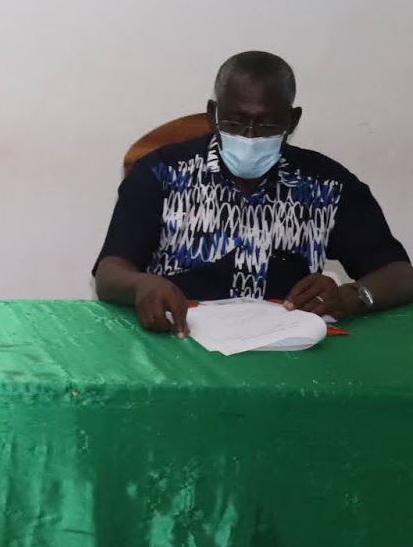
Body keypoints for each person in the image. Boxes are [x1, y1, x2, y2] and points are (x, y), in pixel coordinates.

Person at [94, 51, 413, 336]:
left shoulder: (328, 185)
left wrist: (353, 296)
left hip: (287, 350)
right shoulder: (160, 173)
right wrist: (142, 285)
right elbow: (110, 273)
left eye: (266, 124)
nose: (249, 136)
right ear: (213, 114)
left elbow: (400, 274)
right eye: (235, 121)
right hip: (180, 340)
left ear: (292, 120)